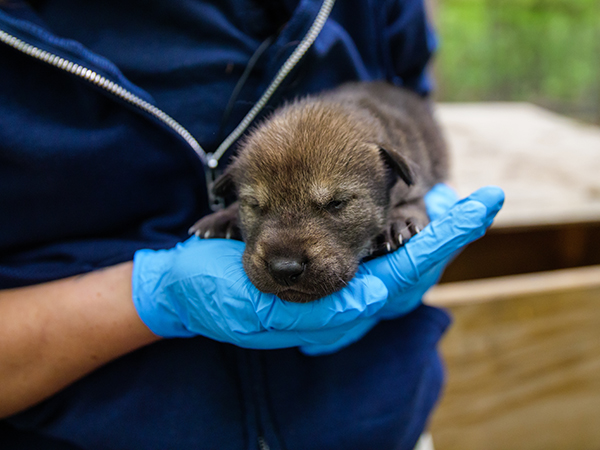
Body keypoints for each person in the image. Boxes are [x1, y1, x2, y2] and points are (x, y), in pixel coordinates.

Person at [0, 1, 504, 449]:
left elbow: (413, 108)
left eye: (333, 207)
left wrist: (411, 210)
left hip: (382, 422)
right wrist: (150, 298)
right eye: (254, 206)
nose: (285, 256)